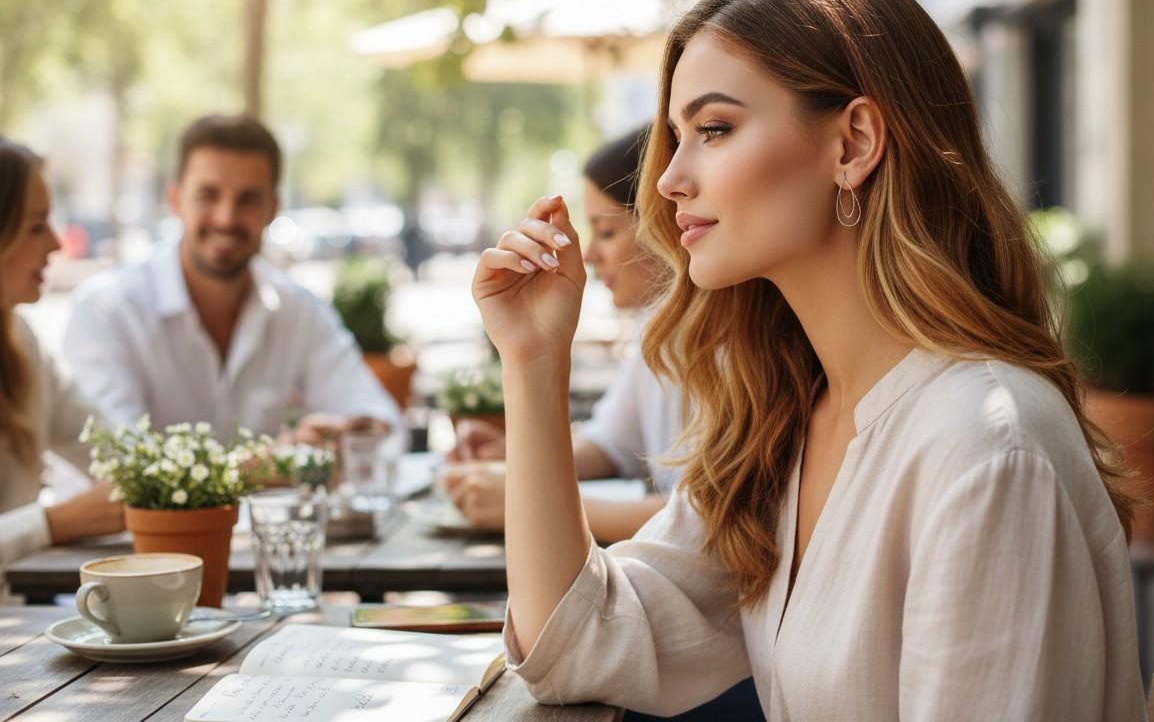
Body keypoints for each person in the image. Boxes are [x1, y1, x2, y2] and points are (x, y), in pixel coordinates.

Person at [470, 0, 1146, 720]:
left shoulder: (985, 448)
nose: (668, 179)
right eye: (675, 136)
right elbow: (579, 646)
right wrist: (532, 363)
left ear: (853, 142)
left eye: (714, 129)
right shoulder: (789, 417)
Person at [64, 114, 399, 442]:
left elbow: (382, 423)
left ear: (273, 208)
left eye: (248, 199)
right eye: (208, 195)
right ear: (175, 200)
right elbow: (117, 462)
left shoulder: (298, 310)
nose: (226, 218)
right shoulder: (109, 310)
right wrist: (277, 463)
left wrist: (353, 434)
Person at [445, 128, 681, 544]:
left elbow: (713, 524)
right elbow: (611, 442)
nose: (589, 254)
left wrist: (520, 501)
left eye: (606, 232)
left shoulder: (734, 346)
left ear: (670, 221)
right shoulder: (658, 326)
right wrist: (514, 451)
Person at [0, 138, 124, 601]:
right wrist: (53, 523)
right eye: (36, 226)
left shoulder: (22, 342)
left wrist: (239, 467)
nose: (56, 243)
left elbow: (113, 448)